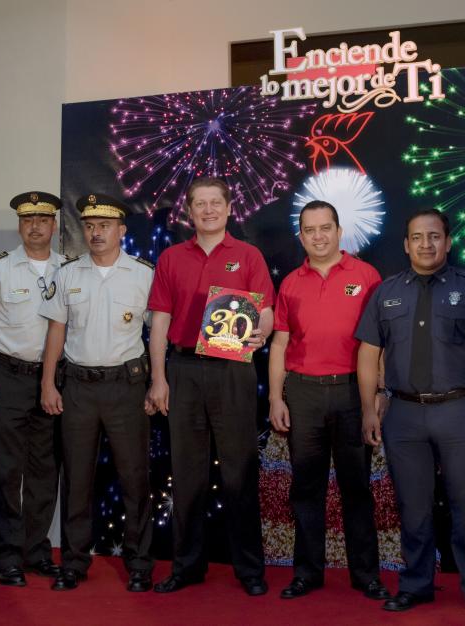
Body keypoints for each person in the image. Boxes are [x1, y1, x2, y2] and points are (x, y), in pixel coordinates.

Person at [355, 208, 465, 621]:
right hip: (402, 414)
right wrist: (370, 408)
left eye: (434, 236)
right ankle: (416, 585)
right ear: (406, 244)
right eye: (418, 237)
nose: (426, 244)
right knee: (413, 506)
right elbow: (368, 353)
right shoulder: (386, 292)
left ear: (448, 241)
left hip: (459, 411)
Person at [145, 176, 273, 596]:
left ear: (229, 208)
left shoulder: (248, 255)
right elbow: (159, 320)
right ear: (190, 211)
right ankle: (186, 566)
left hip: (233, 370)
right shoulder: (170, 258)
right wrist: (158, 378)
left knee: (240, 472)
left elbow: (266, 310)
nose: (208, 210)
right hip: (183, 370)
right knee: (186, 474)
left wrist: (263, 333)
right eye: (200, 203)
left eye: (215, 202)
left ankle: (250, 569)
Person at [267, 200, 390, 602]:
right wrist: (275, 398)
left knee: (357, 487)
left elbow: (379, 343)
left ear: (339, 231)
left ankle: (367, 575)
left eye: (325, 228)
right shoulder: (290, 283)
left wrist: (379, 393)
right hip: (302, 392)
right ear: (300, 236)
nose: (318, 236)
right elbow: (280, 342)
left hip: (354, 391)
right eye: (310, 230)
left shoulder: (367, 276)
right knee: (306, 488)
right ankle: (306, 574)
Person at [39, 193, 156, 593]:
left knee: (135, 477)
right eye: (89, 226)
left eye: (104, 225)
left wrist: (158, 382)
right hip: (79, 388)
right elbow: (56, 330)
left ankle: (139, 564)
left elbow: (159, 331)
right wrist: (47, 382)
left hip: (127, 387)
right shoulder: (69, 274)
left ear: (121, 230)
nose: (95, 233)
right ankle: (73, 563)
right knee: (76, 479)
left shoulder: (144, 274)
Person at [0, 191, 65, 587]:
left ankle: (37, 552)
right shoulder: (0, 268)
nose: (35, 226)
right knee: (4, 472)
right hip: (5, 378)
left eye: (43, 219)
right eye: (27, 220)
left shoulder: (68, 269)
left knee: (44, 472)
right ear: (20, 226)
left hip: (52, 382)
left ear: (54, 226)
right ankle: (7, 558)